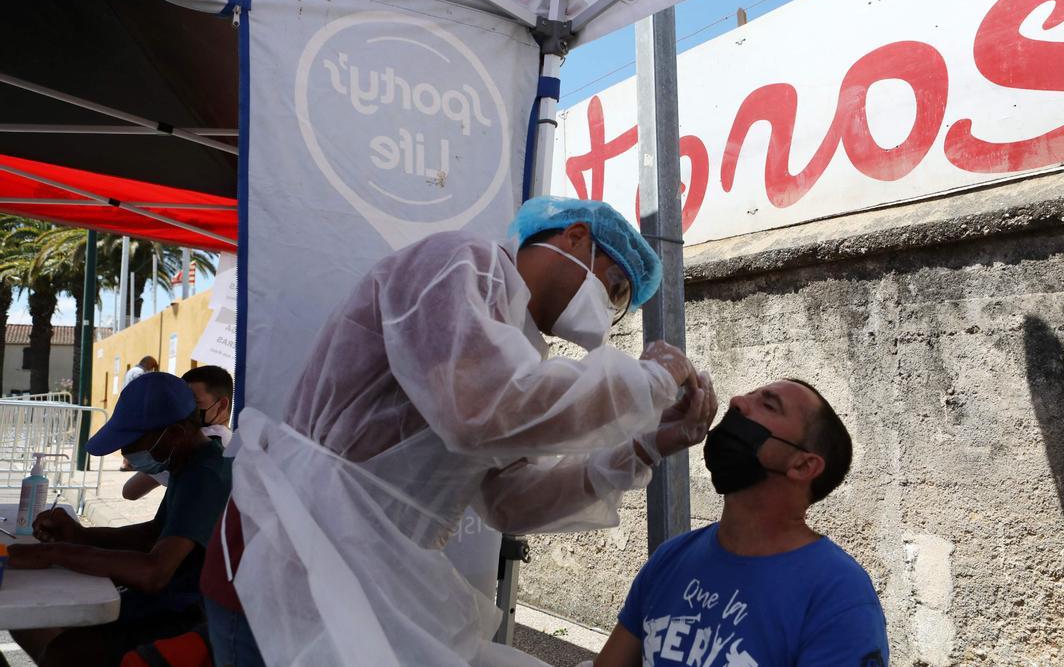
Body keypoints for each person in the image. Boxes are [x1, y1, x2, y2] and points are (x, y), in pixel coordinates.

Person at [200, 196, 718, 666]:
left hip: (361, 565)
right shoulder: (462, 265)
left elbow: (511, 499)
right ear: (576, 236)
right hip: (286, 555)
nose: (610, 308)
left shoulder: (516, 348)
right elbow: (482, 411)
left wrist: (645, 447)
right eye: (615, 286)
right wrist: (649, 382)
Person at [595, 379, 889, 667]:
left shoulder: (840, 596)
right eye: (750, 395)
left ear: (803, 465)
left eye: (769, 405)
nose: (737, 401)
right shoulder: (671, 558)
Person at [7, 372, 233, 667]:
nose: (126, 453)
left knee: (66, 652)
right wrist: (80, 535)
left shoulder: (206, 475)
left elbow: (153, 573)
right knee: (32, 623)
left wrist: (55, 552)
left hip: (187, 614)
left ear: (175, 433)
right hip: (167, 602)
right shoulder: (189, 463)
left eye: (135, 442)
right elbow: (155, 533)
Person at [123, 365, 234, 500]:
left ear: (221, 405)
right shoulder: (234, 441)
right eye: (181, 402)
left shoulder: (198, 442)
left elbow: (130, 491)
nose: (185, 410)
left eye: (195, 403)